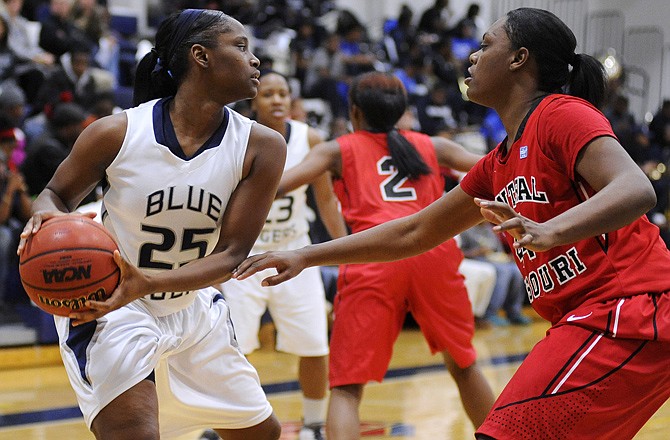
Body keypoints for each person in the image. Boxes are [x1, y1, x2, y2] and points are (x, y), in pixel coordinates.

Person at [234, 8, 670, 440]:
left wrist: (551, 230)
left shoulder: (561, 114)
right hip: (588, 317)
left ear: (519, 58)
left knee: (501, 431)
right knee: (475, 383)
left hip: (628, 310)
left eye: (485, 46)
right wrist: (305, 255)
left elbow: (636, 189)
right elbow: (414, 231)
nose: (472, 58)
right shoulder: (495, 161)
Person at [18, 9, 286, 440]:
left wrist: (152, 281)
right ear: (200, 56)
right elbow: (54, 195)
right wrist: (45, 217)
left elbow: (232, 255)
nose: (254, 59)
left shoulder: (263, 146)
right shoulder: (117, 133)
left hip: (192, 306)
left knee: (263, 435)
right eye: (239, 46)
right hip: (115, 304)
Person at [238, 70, 494, 438]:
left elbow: (277, 188)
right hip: (434, 255)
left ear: (354, 112)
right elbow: (495, 166)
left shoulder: (336, 148)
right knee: (464, 366)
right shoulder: (433, 146)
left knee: (346, 388)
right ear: (402, 111)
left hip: (374, 254)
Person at [221, 70, 347, 440]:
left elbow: (325, 200)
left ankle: (312, 424)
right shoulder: (235, 136)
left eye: (283, 93)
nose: (276, 100)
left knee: (313, 343)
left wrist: (344, 254)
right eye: (268, 94)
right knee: (232, 348)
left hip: (294, 254)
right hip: (245, 256)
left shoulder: (309, 137)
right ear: (254, 101)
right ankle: (231, 422)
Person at [458, 222, 531, 326]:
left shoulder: (489, 229)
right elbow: (459, 252)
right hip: (475, 260)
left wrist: (506, 257)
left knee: (516, 270)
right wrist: (477, 252)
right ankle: (490, 313)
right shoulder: (465, 229)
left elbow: (498, 251)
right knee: (503, 271)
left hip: (493, 259)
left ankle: (514, 312)